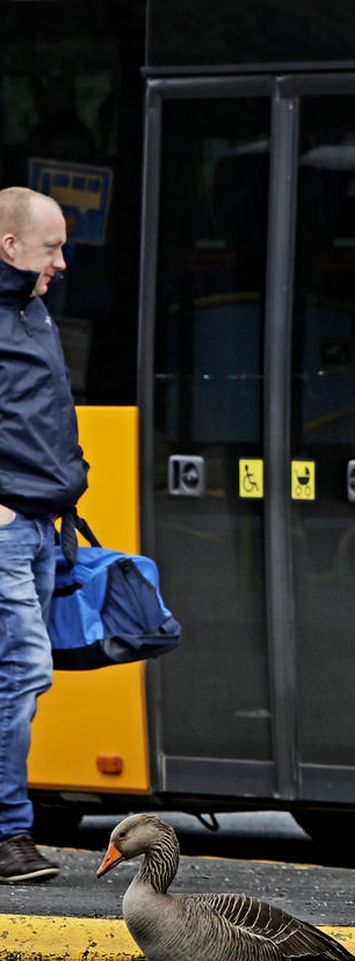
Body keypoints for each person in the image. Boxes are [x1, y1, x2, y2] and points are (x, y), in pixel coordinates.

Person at [0, 187, 84, 883]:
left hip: (41, 526)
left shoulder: (35, 311)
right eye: (51, 247)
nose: (61, 260)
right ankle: (8, 835)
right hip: (6, 527)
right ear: (11, 247)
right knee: (23, 672)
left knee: (17, 678)